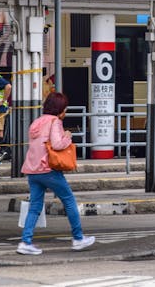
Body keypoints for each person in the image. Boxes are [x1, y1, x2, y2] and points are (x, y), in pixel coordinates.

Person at [16, 92, 95, 255]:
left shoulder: (37, 121)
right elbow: (58, 145)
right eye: (64, 109)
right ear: (60, 109)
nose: (65, 112)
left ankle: (25, 241)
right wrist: (67, 136)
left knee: (35, 206)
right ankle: (78, 238)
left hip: (32, 170)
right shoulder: (55, 121)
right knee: (69, 200)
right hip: (48, 169)